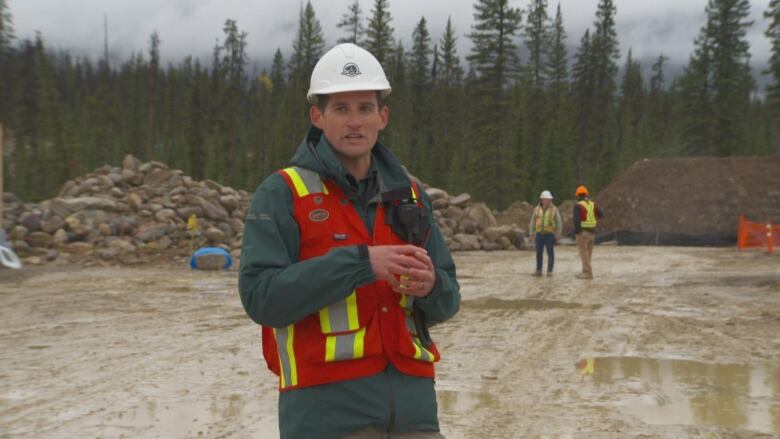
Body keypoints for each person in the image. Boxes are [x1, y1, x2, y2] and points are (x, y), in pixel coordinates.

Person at [238, 43, 460, 439]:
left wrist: (431, 286)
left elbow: (448, 299)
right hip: (326, 414)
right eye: (341, 109)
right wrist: (361, 263)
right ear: (318, 116)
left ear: (383, 116)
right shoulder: (282, 193)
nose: (354, 122)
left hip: (414, 411)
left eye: (365, 108)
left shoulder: (410, 195)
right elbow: (261, 298)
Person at [528, 190, 562, 277]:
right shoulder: (537, 209)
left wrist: (558, 234)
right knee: (539, 253)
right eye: (547, 199)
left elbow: (558, 222)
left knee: (550, 253)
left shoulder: (554, 209)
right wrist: (531, 234)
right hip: (539, 234)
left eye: (550, 199)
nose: (549, 201)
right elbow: (533, 221)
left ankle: (549, 271)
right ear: (542, 200)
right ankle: (539, 270)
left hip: (549, 234)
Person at [573, 185, 603, 279]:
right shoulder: (592, 204)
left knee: (583, 253)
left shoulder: (578, 205)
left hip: (583, 233)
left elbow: (576, 220)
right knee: (588, 254)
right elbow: (601, 214)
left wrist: (577, 232)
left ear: (577, 196)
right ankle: (585, 271)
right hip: (592, 233)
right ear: (586, 194)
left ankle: (587, 273)